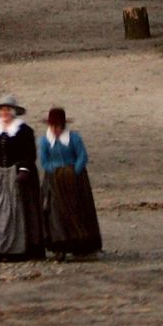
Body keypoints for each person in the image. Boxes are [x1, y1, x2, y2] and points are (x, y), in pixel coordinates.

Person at [0, 93, 44, 262]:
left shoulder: (24, 130)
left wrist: (23, 169)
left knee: (16, 212)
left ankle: (17, 249)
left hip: (17, 174)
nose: (5, 112)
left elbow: (30, 154)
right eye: (2, 109)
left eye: (8, 109)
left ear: (14, 111)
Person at [39, 107, 102, 260]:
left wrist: (73, 172)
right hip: (54, 181)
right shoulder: (44, 141)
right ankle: (59, 248)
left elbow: (82, 156)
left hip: (75, 180)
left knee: (78, 211)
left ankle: (82, 248)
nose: (55, 129)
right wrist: (56, 172)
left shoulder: (74, 138)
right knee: (55, 213)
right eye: (52, 126)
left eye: (58, 126)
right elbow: (44, 161)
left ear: (63, 126)